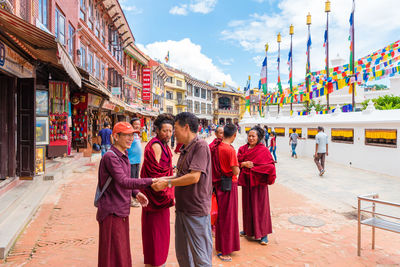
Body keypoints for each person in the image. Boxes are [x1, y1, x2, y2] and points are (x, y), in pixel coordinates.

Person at [96, 122, 165, 267]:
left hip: (121, 208)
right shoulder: (111, 157)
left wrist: (136, 193)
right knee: (111, 252)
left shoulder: (123, 155)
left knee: (121, 249)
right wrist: (151, 181)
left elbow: (124, 180)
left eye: (132, 135)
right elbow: (123, 181)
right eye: (126, 135)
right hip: (111, 210)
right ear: (115, 136)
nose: (130, 139)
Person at [152, 112, 213, 267]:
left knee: (201, 257)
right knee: (183, 254)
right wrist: (164, 179)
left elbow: (194, 177)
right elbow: (181, 175)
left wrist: (167, 184)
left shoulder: (200, 146)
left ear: (186, 127)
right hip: (182, 209)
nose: (173, 133)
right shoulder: (185, 148)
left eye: (175, 129)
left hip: (196, 210)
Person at [140, 114, 175, 267]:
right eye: (164, 131)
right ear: (157, 131)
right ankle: (155, 260)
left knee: (158, 230)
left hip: (160, 193)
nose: (168, 134)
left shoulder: (164, 145)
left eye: (170, 131)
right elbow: (156, 176)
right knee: (155, 230)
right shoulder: (156, 145)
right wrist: (169, 187)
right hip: (157, 195)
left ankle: (155, 259)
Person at [237, 126, 276, 246]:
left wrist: (254, 168)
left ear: (258, 138)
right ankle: (248, 229)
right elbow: (236, 162)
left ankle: (264, 234)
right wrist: (243, 164)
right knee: (247, 206)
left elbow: (271, 167)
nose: (251, 138)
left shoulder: (263, 150)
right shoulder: (242, 149)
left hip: (259, 184)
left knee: (260, 208)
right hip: (247, 183)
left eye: (254, 136)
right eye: (249, 135)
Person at [210, 124, 240, 262]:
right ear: (234, 135)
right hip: (229, 184)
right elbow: (235, 171)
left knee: (223, 216)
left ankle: (223, 246)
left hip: (219, 184)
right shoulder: (229, 149)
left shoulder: (216, 147)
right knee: (228, 217)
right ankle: (224, 250)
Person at [127, 118, 142, 207]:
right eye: (135, 124)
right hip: (131, 161)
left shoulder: (137, 135)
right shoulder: (129, 134)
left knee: (136, 181)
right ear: (131, 125)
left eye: (138, 124)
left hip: (137, 161)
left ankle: (134, 196)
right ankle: (130, 199)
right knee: (131, 181)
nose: (137, 126)